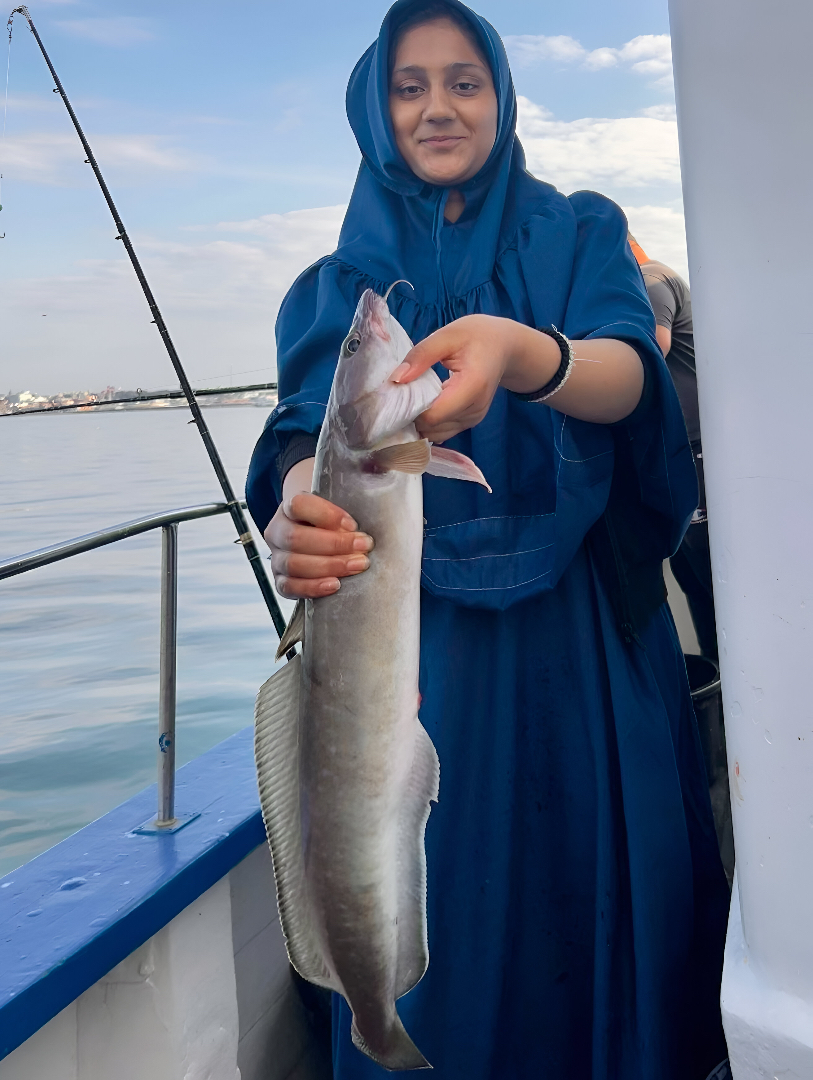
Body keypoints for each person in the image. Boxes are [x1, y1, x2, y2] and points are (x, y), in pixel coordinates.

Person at [246, 2, 731, 1076]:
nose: (436, 107)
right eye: (408, 86)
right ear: (375, 111)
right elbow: (294, 435)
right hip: (416, 658)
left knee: (602, 903)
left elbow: (629, 377)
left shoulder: (579, 231)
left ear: (502, 97)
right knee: (432, 908)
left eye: (464, 80)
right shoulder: (334, 291)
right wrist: (297, 507)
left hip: (588, 647)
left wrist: (525, 354)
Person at [629, 233, 718, 661]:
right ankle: (721, 683)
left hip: (697, 455)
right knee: (695, 582)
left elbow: (652, 347)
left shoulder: (651, 279)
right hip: (683, 455)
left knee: (706, 580)